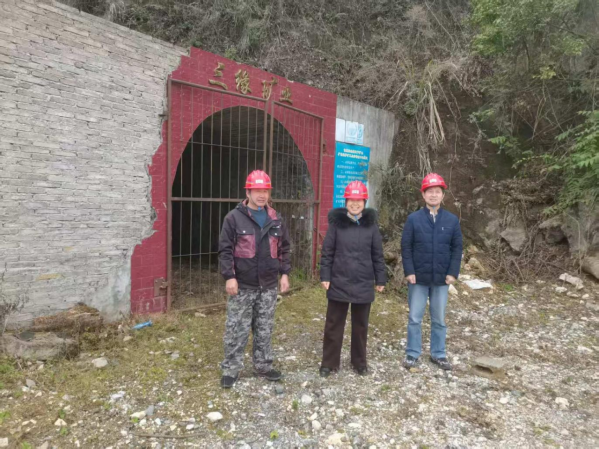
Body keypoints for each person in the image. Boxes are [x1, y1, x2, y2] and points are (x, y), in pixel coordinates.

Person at [218, 170, 291, 388]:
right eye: (257, 190)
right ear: (248, 192)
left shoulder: (276, 219)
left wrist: (285, 273)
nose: (261, 195)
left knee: (264, 328)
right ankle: (231, 369)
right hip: (243, 285)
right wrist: (229, 277)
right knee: (236, 329)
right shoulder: (233, 218)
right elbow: (225, 250)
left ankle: (263, 366)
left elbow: (284, 248)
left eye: (265, 191)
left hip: (268, 285)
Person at [319, 181, 387, 377]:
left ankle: (359, 362)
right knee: (333, 325)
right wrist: (325, 275)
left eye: (359, 200)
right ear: (346, 201)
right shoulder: (336, 225)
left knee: (360, 326)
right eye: (351, 200)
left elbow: (377, 255)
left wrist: (380, 279)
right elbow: (327, 252)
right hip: (338, 281)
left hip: (363, 282)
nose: (355, 204)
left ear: (364, 202)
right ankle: (329, 363)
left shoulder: (371, 226)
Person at [401, 173, 463, 371]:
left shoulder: (452, 220)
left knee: (439, 319)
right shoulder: (413, 219)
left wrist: (453, 273)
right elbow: (406, 247)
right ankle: (412, 353)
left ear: (443, 195)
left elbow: (457, 248)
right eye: (430, 191)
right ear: (423, 194)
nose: (433, 195)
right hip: (418, 278)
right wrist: (409, 271)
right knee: (414, 318)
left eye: (437, 191)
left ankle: (438, 354)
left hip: (441, 279)